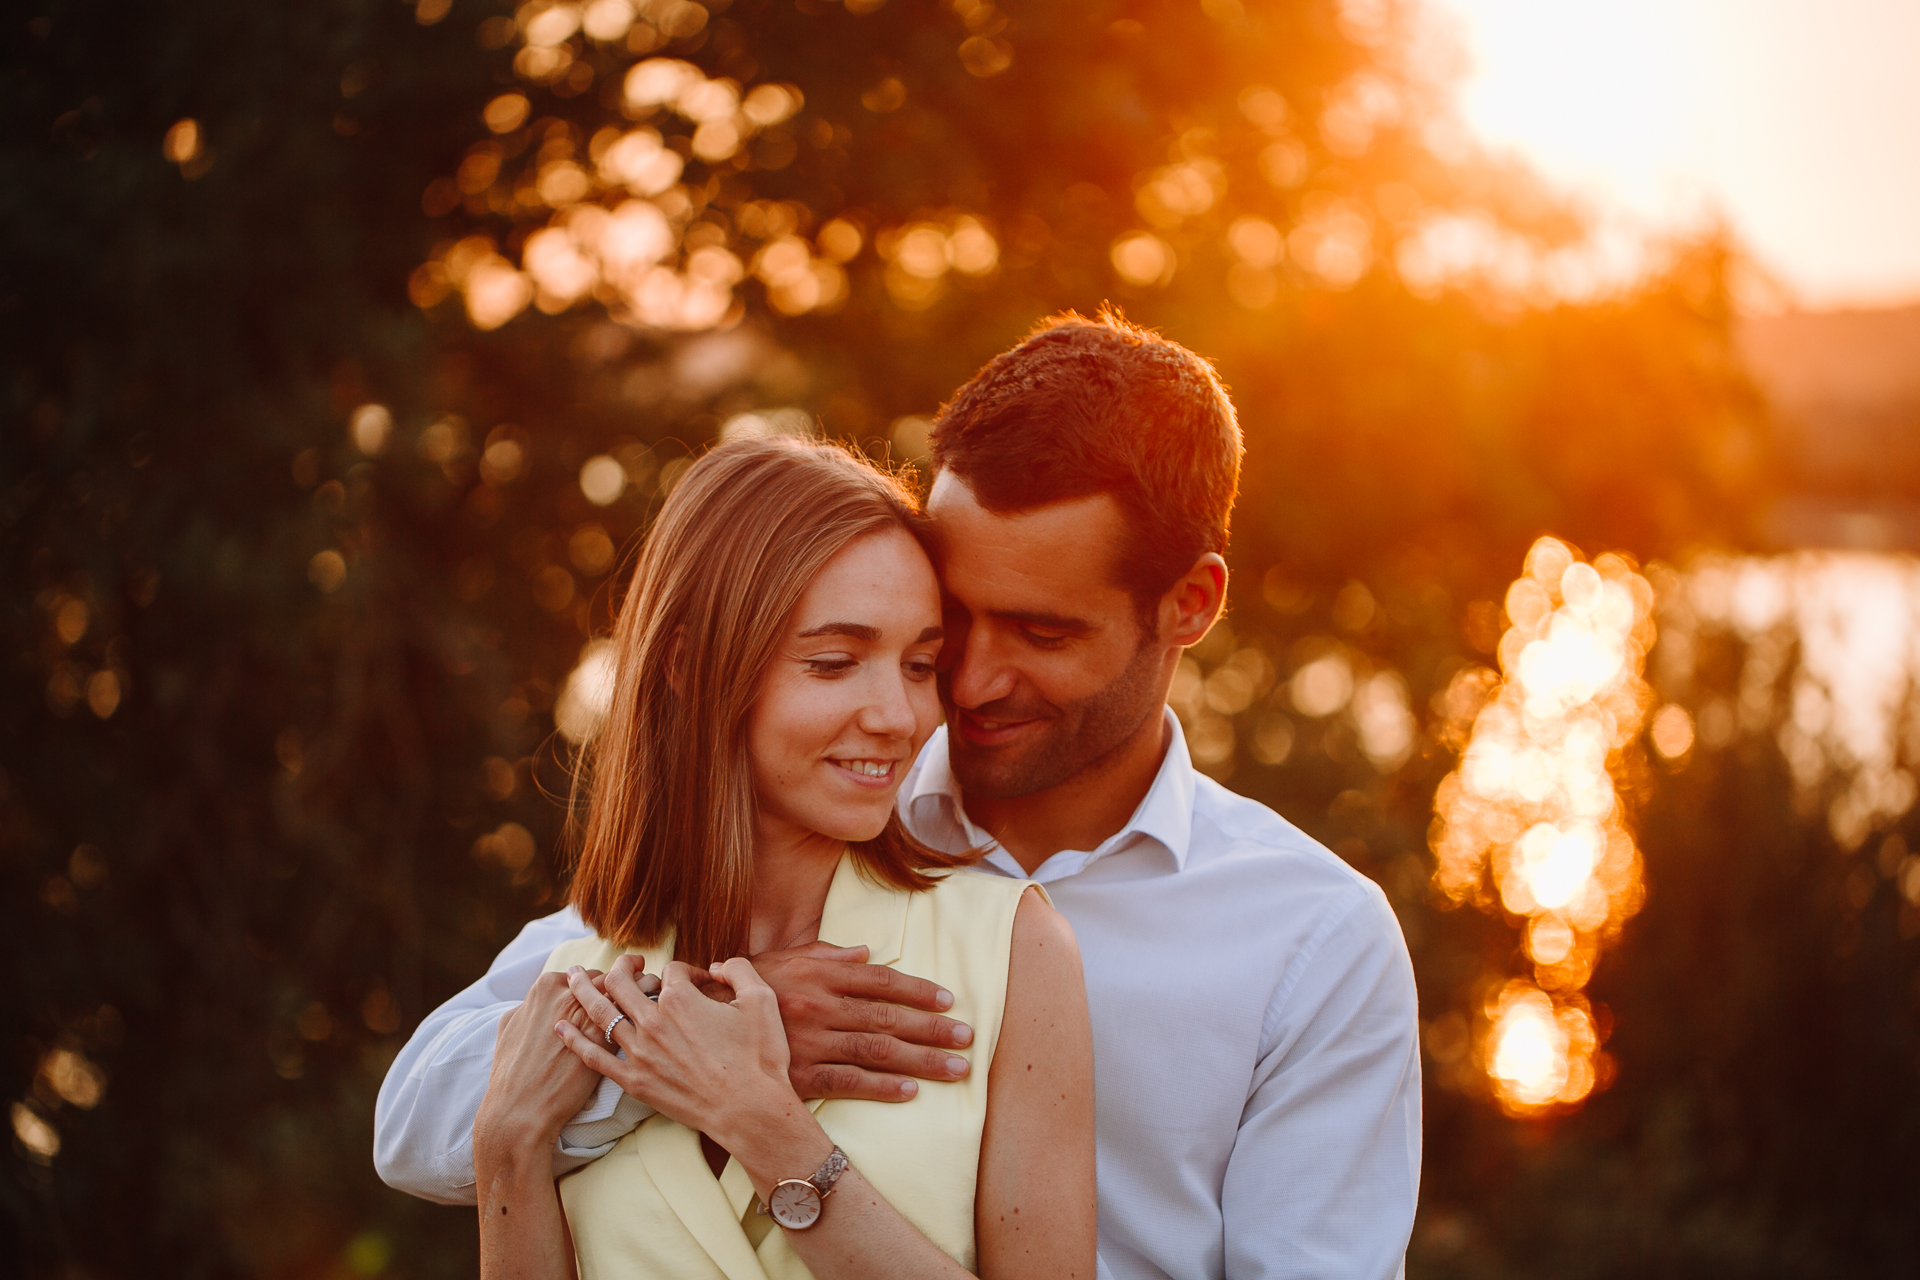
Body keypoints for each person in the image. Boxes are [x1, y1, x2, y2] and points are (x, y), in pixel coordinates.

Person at [378, 310, 1422, 1280]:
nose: (962, 686)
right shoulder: (820, 815)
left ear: (1188, 605)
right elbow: (425, 1116)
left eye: (1042, 632)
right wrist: (725, 1014)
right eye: (951, 628)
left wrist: (756, 1112)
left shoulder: (1312, 940)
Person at [472, 436, 1097, 1279]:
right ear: (692, 667)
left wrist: (764, 1127)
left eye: (920, 665)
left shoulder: (1012, 950)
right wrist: (507, 1148)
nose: (899, 715)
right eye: (835, 663)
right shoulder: (590, 978)